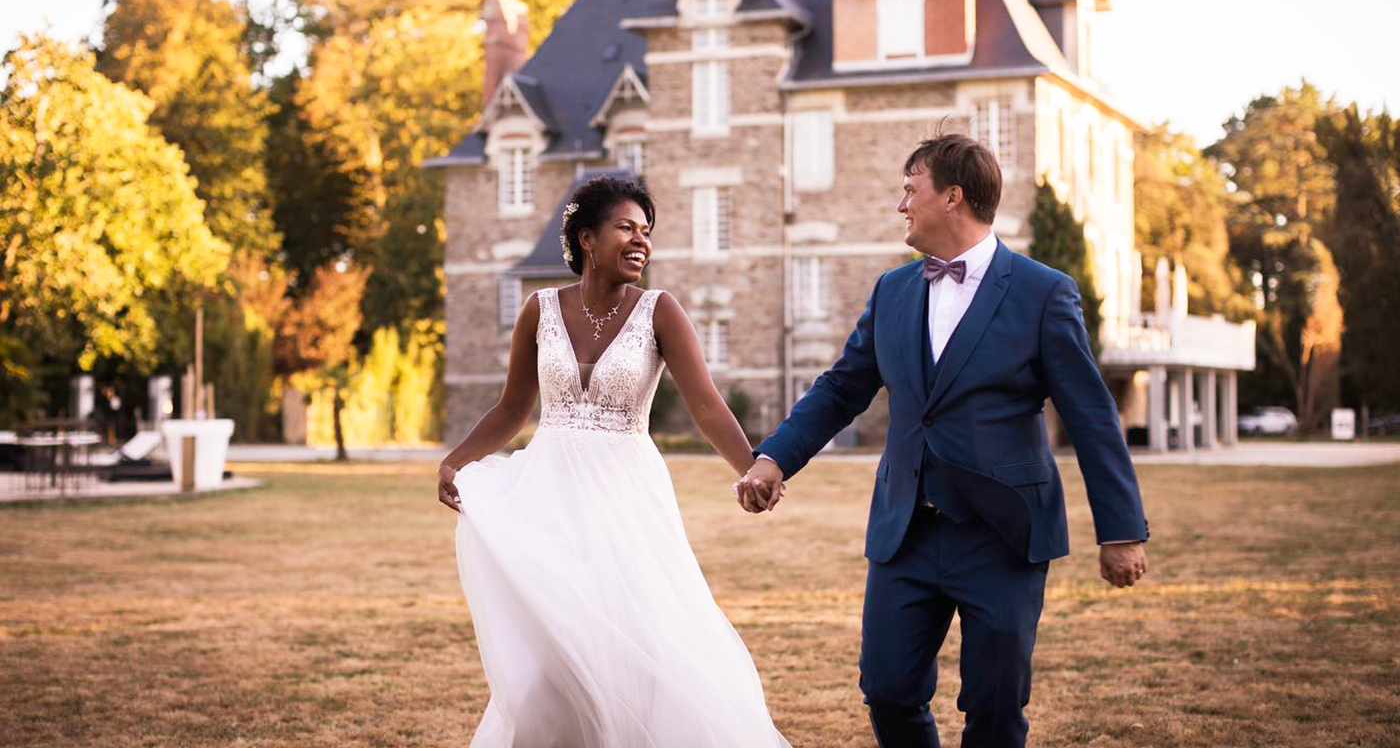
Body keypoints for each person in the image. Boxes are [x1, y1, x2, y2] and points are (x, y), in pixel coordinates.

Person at [736, 133, 1150, 748]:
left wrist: (1120, 529)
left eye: (911, 190)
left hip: (1004, 535)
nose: (902, 205)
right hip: (905, 531)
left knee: (995, 706)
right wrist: (774, 457)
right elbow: (841, 389)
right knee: (888, 691)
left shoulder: (1044, 293)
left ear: (952, 196)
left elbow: (1090, 415)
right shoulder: (892, 292)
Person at [437, 175, 789, 748]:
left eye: (647, 232)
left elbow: (704, 404)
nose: (640, 241)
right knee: (553, 644)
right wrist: (455, 461)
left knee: (637, 637)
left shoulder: (660, 311)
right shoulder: (539, 309)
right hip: (547, 494)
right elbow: (511, 408)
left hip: (625, 493)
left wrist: (753, 466)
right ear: (587, 239)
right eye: (626, 227)